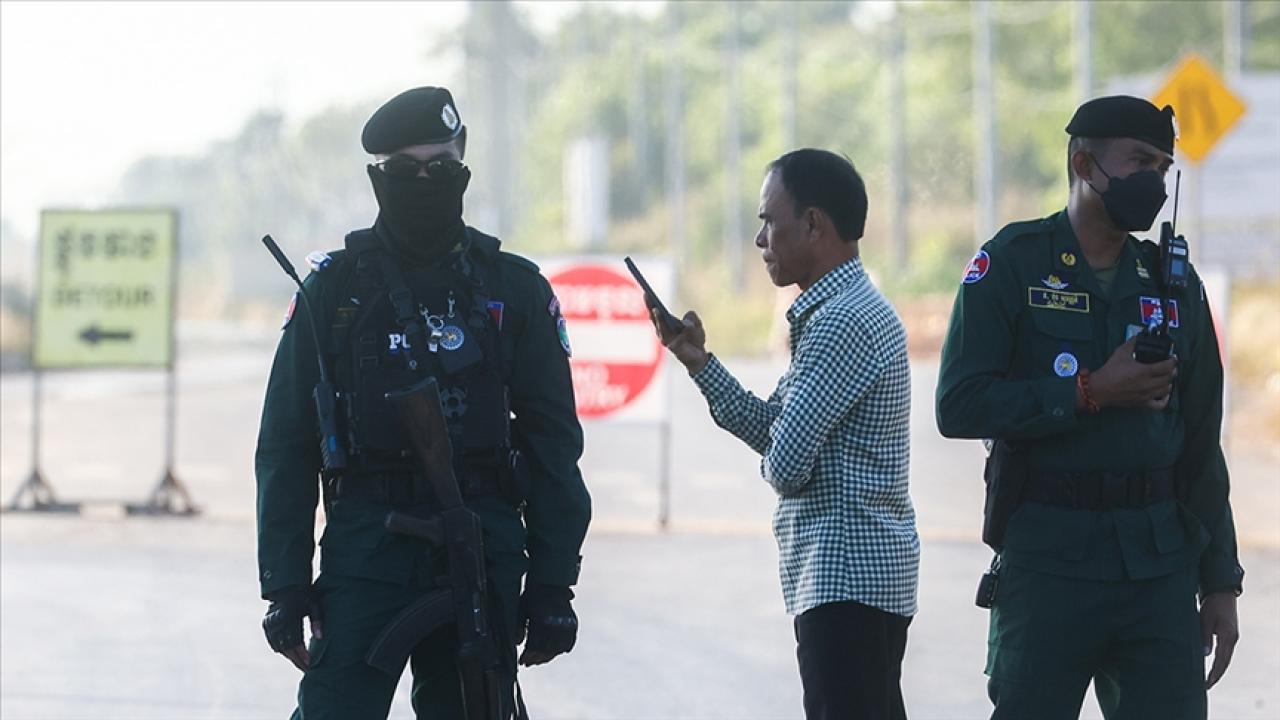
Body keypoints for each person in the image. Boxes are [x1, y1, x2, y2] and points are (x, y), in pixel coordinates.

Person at [255, 86, 591, 719]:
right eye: (404, 170)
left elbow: (552, 445)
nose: (424, 182)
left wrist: (553, 583)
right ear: (376, 178)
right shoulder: (333, 292)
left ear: (464, 164)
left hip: (481, 549)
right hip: (366, 551)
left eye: (441, 167)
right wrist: (285, 582)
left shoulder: (513, 289)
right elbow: (286, 445)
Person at [936, 95, 1244, 720]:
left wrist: (1220, 582)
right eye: (1139, 162)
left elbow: (1200, 444)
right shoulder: (1014, 263)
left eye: (1162, 167)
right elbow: (959, 404)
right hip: (1049, 564)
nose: (1153, 181)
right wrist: (1088, 390)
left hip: (1157, 569)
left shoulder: (1173, 284)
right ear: (1084, 164)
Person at [654, 149, 920, 720]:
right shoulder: (837, 312)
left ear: (814, 224)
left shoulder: (841, 321)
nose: (761, 240)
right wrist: (699, 362)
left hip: (847, 580)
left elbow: (785, 464)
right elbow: (775, 426)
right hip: (856, 582)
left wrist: (780, 448)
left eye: (769, 221)